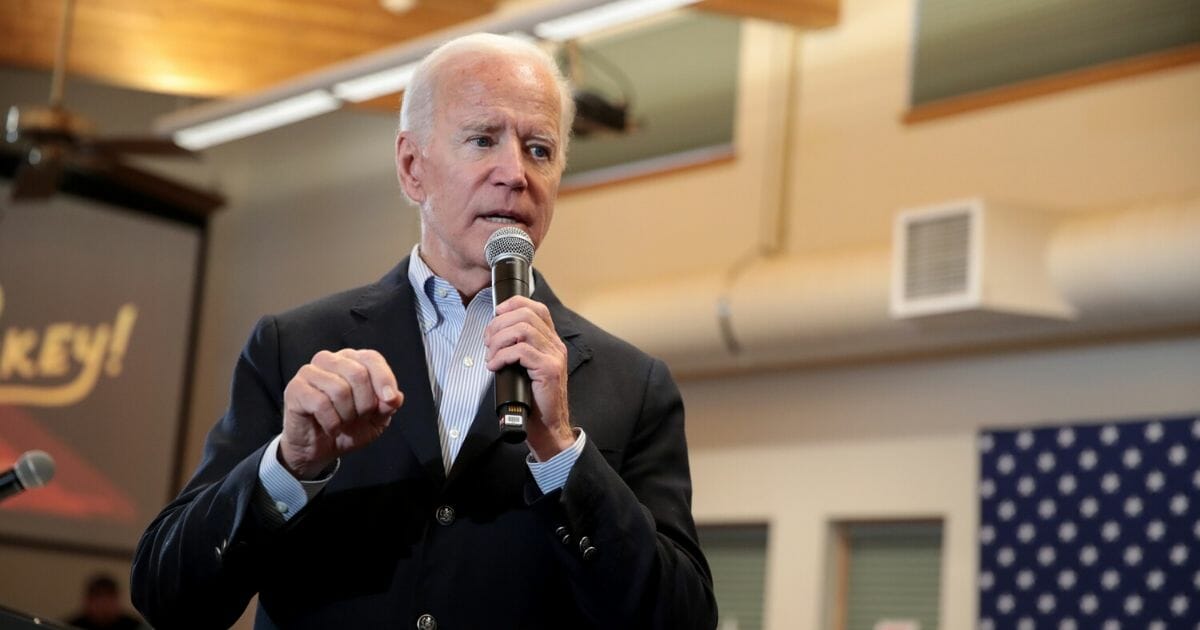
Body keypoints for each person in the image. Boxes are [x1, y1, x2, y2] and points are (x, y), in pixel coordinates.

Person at [131, 33, 717, 630]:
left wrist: (565, 456)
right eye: (483, 139)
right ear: (413, 168)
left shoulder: (634, 385)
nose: (515, 173)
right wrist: (289, 465)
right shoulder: (294, 346)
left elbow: (681, 618)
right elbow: (168, 596)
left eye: (539, 149)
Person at [67, 574, 144, 630]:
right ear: (88, 601)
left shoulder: (135, 626)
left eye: (109, 599)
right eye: (99, 598)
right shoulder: (70, 627)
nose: (104, 605)